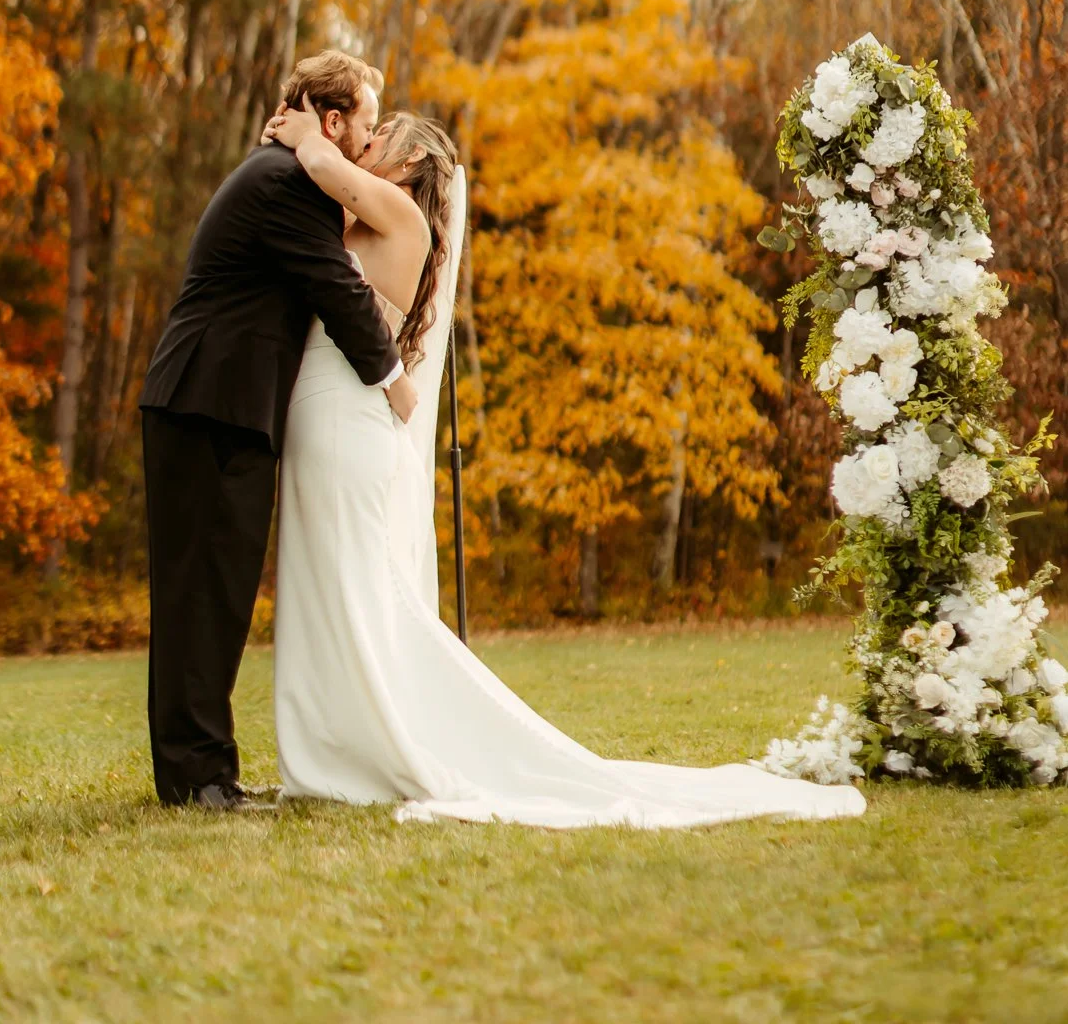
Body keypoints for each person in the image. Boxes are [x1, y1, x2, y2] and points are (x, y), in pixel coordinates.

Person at [266, 101, 867, 831]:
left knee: (353, 593)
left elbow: (324, 166)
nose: (367, 142)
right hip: (329, 421)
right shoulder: (364, 218)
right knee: (331, 591)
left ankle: (366, 748)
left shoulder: (398, 212)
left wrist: (302, 132)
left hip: (342, 425)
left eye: (381, 136)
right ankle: (335, 748)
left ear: (412, 165)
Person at [138, 50, 417, 810]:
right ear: (332, 120)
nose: (367, 139)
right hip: (207, 404)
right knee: (202, 593)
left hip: (211, 405)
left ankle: (203, 771)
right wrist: (395, 384)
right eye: (362, 122)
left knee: (212, 593)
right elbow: (336, 289)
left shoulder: (289, 173)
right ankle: (197, 779)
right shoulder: (289, 185)